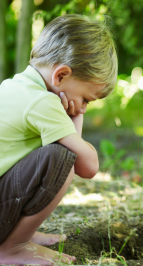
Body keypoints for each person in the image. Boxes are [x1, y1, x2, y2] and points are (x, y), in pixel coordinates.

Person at [0, 14, 117, 265]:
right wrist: (74, 117)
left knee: (57, 151)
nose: (83, 108)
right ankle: (12, 247)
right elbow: (88, 166)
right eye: (86, 99)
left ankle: (19, 234)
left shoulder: (13, 87)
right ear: (61, 75)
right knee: (62, 158)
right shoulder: (43, 102)